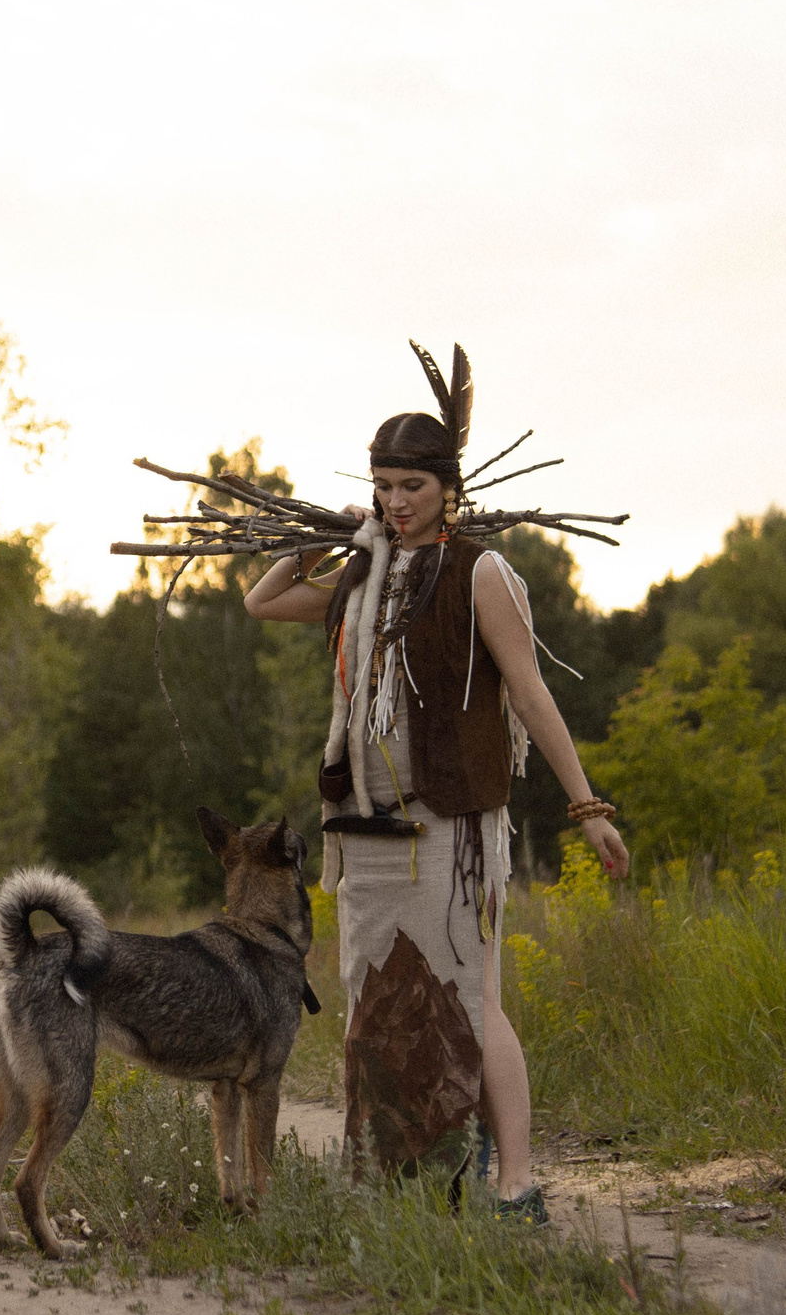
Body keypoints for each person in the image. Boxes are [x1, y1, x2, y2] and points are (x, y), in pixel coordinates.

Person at [244, 400, 627, 1220]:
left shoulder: (479, 573)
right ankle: (414, 1177)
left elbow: (530, 692)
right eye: (383, 485)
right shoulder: (365, 575)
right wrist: (326, 538)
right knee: (379, 1002)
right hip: (368, 828)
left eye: (411, 485)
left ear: (447, 486)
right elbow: (263, 601)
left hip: (451, 824)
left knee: (469, 999)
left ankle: (517, 1184)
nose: (396, 501)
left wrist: (586, 805)